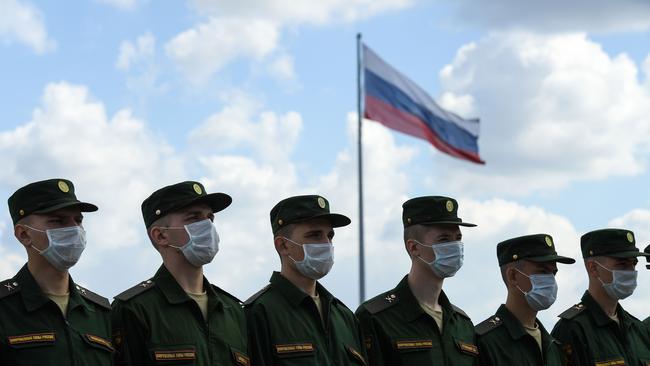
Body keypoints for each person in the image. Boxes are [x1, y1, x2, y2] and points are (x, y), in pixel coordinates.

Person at [111, 181, 249, 365]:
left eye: (210, 218)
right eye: (194, 218)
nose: (207, 225)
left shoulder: (232, 310)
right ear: (160, 235)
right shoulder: (135, 309)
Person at [0, 178, 112, 365]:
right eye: (58, 221)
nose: (75, 229)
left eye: (78, 220)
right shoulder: (4, 308)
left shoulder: (100, 313)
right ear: (23, 234)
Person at [356, 196, 478, 365]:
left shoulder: (462, 324)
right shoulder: (375, 317)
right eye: (444, 239)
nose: (455, 246)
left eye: (458, 238)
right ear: (414, 247)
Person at [245, 195, 367, 365]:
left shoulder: (345, 317)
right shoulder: (259, 312)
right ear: (283, 245)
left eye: (330, 236)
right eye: (315, 235)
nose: (326, 244)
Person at [551, 228, 650, 365]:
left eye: (634, 263)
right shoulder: (573, 329)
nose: (631, 271)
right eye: (622, 264)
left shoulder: (638, 329)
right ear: (593, 268)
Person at [475, 234, 575, 365]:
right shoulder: (486, 342)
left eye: (553, 273)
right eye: (543, 271)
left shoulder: (553, 347)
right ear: (513, 276)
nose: (550, 280)